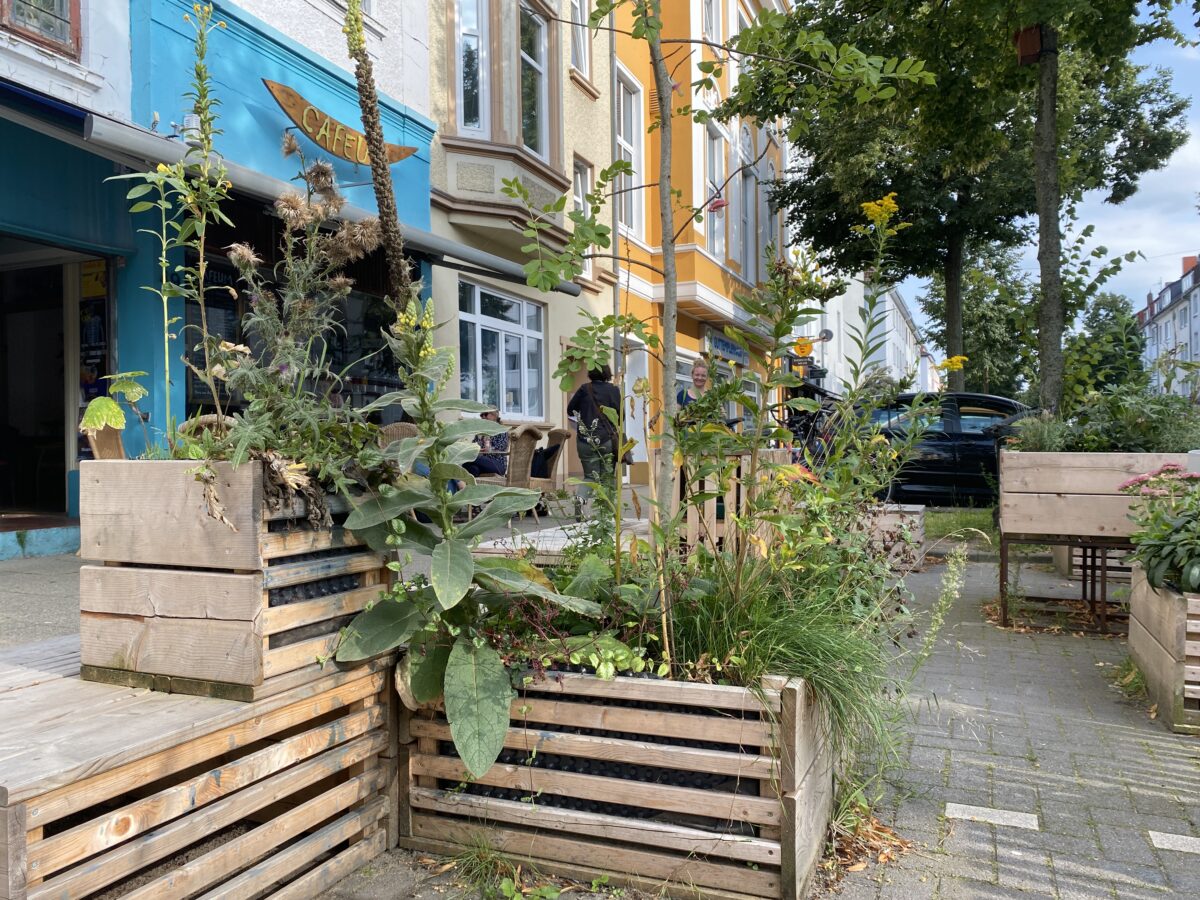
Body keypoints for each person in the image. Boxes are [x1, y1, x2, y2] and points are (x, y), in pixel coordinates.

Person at [566, 365, 622, 511]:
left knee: (590, 476)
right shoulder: (614, 390)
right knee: (608, 477)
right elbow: (621, 415)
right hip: (607, 440)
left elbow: (570, 410)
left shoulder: (585, 389)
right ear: (608, 373)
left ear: (591, 373)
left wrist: (584, 415)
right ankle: (609, 512)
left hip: (585, 440)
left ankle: (581, 498)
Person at [463, 409, 508, 478]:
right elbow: (473, 446)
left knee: (467, 457)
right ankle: (472, 487)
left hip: (497, 464)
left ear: (494, 416)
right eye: (481, 415)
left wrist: (489, 448)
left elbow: (501, 447)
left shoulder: (501, 430)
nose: (483, 417)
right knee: (473, 469)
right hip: (482, 463)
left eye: (485, 414)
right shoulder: (480, 432)